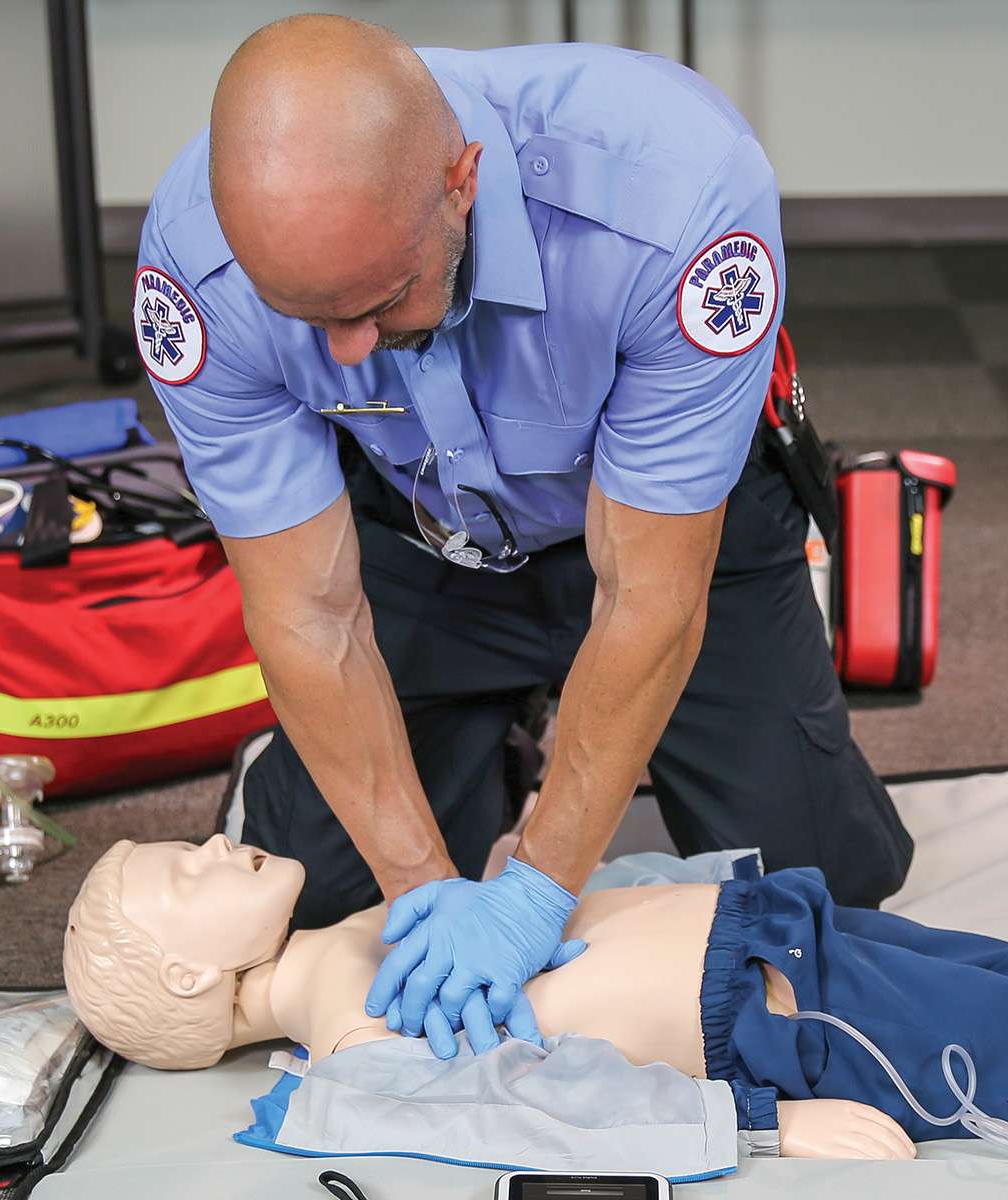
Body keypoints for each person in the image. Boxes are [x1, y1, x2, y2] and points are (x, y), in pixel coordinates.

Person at [134, 11, 911, 1057]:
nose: (347, 348)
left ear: (462, 181)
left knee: (827, 898)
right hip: (420, 526)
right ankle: (484, 745)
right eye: (306, 316)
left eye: (377, 300)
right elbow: (309, 611)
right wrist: (428, 900)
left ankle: (571, 746)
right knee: (323, 903)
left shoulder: (679, 196)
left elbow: (647, 596)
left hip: (665, 539)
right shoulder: (194, 267)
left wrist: (534, 893)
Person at [63, 836, 1008, 1158]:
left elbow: (565, 896)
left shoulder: (376, 911)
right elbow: (556, 1123)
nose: (207, 845)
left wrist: (686, 877)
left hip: (760, 926)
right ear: (197, 975)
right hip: (773, 1021)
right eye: (180, 876)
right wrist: (761, 1130)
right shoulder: (354, 1058)